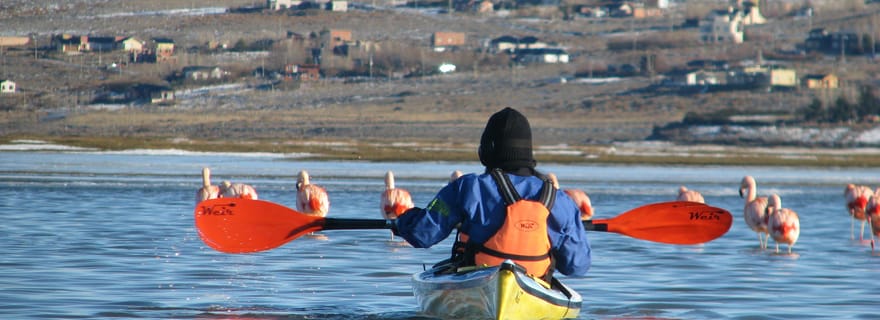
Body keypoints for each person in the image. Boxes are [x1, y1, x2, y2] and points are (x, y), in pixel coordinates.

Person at [393, 107, 591, 280]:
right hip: (533, 285)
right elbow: (577, 266)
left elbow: (422, 234)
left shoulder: (466, 188)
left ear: (486, 151)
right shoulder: (561, 200)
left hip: (476, 280)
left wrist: (403, 221)